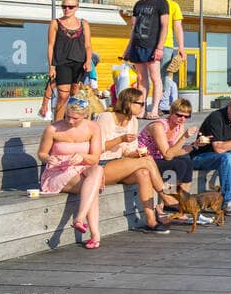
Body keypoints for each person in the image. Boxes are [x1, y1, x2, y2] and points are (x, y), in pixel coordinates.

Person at [95, 87, 177, 234]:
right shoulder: (105, 118)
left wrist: (136, 153)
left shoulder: (133, 120)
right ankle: (167, 196)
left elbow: (127, 151)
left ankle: (151, 221)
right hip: (100, 165)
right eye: (140, 103)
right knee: (148, 160)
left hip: (119, 163)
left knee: (144, 172)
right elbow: (97, 149)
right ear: (128, 102)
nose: (143, 107)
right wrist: (120, 139)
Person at [37, 97, 104, 248]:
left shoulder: (93, 128)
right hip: (58, 171)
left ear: (85, 115)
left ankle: (80, 219)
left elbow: (95, 158)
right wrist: (48, 158)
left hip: (82, 167)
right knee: (91, 188)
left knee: (98, 170)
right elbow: (41, 153)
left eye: (75, 118)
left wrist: (82, 156)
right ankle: (94, 233)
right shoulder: (53, 129)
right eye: (67, 116)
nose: (70, 121)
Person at [124, 0, 169, 118]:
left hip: (152, 45)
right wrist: (128, 48)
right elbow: (134, 28)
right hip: (137, 45)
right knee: (141, 79)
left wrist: (159, 47)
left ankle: (155, 109)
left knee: (156, 78)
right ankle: (141, 109)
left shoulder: (161, 3)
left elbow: (165, 26)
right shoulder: (138, 4)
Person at [45, 0, 92, 117]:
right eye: (64, 6)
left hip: (79, 62)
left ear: (77, 7)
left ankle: (71, 121)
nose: (67, 9)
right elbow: (50, 46)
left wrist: (88, 61)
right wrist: (51, 66)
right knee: (63, 95)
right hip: (62, 62)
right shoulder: (55, 23)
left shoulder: (84, 23)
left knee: (75, 95)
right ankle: (57, 124)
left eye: (70, 7)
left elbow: (88, 45)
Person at [139, 97, 198, 191]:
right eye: (179, 115)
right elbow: (167, 156)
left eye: (186, 117)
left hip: (159, 158)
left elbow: (174, 152)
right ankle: (169, 197)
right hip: (145, 159)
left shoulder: (179, 127)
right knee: (179, 165)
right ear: (171, 112)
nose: (182, 119)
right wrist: (184, 137)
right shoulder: (158, 126)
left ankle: (184, 197)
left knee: (187, 162)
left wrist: (195, 145)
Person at [152, 0, 186, 90]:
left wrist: (181, 47)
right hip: (149, 45)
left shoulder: (172, 5)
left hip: (166, 45)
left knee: (164, 74)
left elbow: (178, 27)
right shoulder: (147, 5)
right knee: (150, 75)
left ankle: (164, 98)